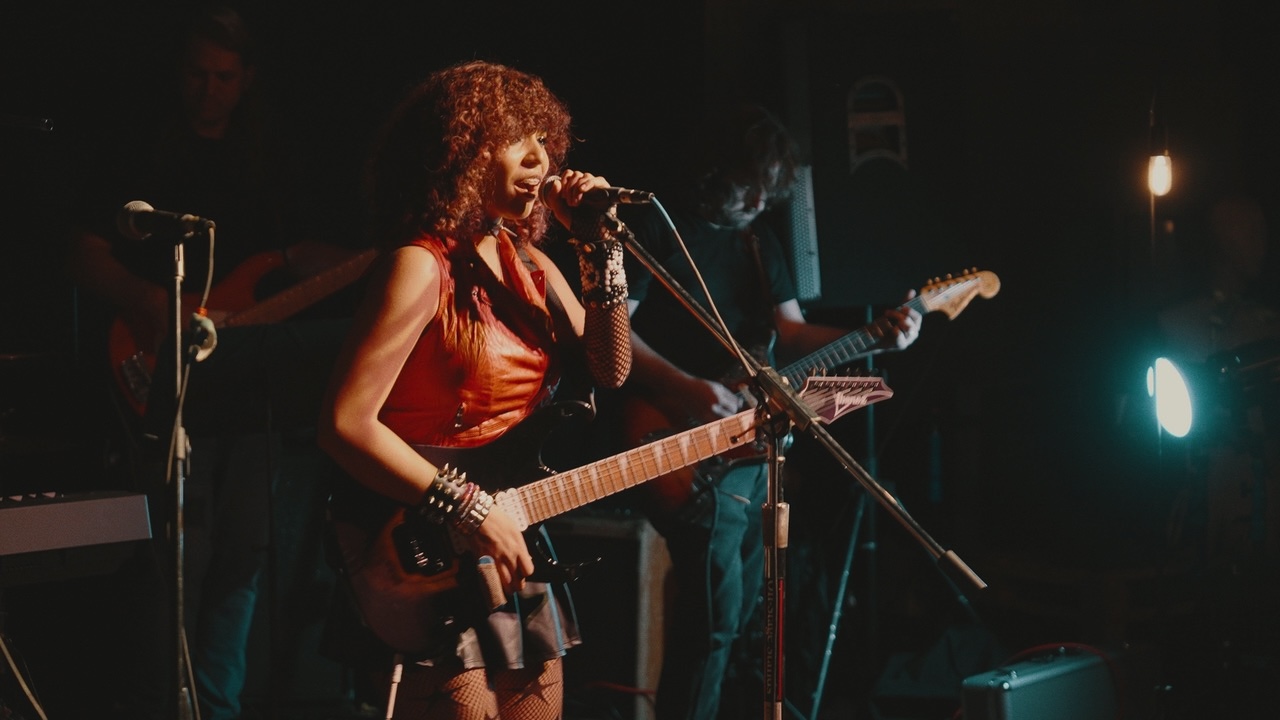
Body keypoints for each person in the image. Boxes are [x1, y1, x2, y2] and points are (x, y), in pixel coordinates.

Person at [65, 6, 362, 719]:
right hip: (163, 376)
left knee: (242, 562)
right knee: (176, 562)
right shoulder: (142, 154)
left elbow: (290, 260)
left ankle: (217, 707)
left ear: (246, 79)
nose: (208, 89)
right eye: (197, 74)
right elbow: (82, 256)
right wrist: (152, 306)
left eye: (223, 77)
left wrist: (363, 264)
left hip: (246, 387)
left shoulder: (268, 162)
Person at [316, 60, 632, 719]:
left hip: (507, 536)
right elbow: (345, 423)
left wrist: (601, 248)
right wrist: (468, 508)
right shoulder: (418, 264)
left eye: (546, 142)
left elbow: (610, 368)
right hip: (418, 545)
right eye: (519, 140)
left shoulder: (535, 267)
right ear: (461, 149)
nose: (540, 159)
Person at [614, 102, 922, 720]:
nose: (760, 198)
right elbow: (612, 334)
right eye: (750, 182)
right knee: (712, 624)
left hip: (750, 454)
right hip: (672, 438)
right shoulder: (651, 227)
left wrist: (876, 334)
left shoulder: (760, 241)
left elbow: (791, 332)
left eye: (769, 188)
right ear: (715, 170)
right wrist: (684, 390)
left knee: (744, 619)